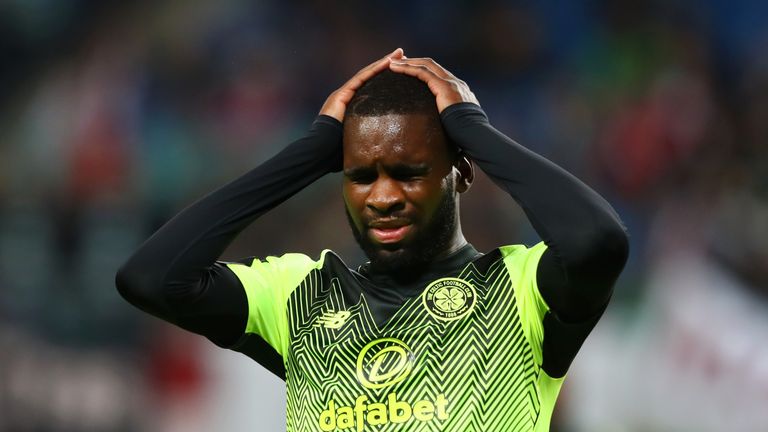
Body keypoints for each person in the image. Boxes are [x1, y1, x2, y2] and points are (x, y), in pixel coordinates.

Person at [116, 48, 629, 432]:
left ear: (459, 172)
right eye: (361, 175)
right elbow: (153, 278)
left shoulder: (519, 288)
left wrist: (472, 128)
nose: (382, 196)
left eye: (408, 172)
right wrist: (314, 150)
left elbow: (597, 242)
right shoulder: (300, 294)